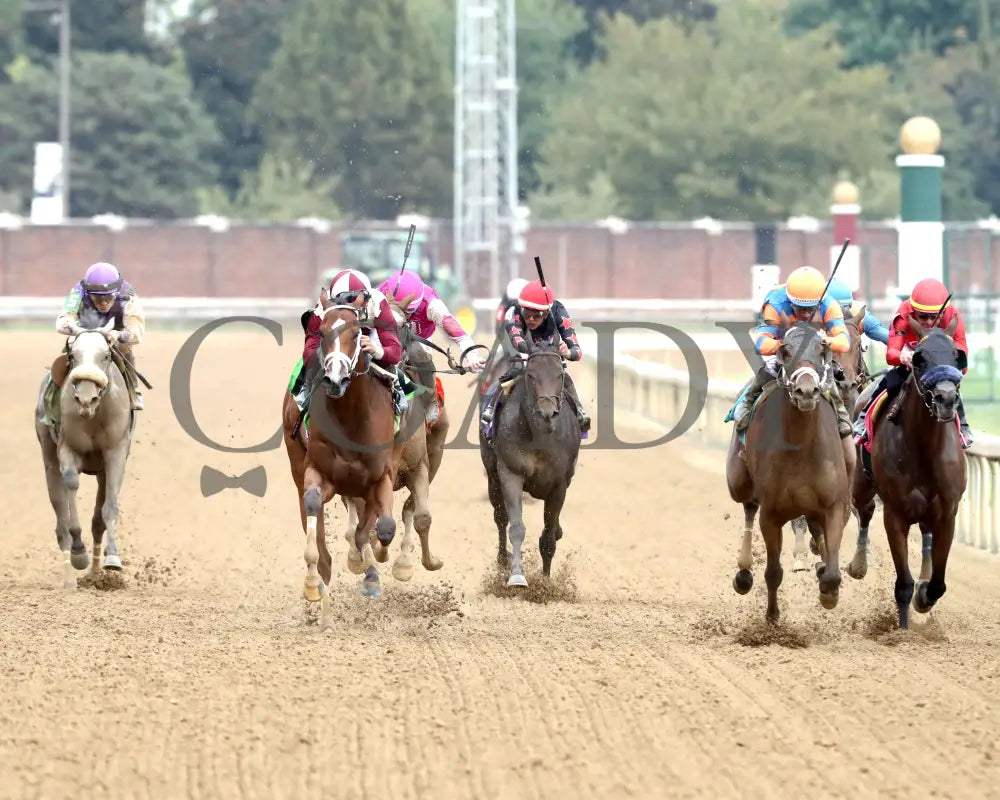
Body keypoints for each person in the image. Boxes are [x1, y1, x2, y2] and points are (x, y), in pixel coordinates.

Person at [731, 265, 853, 437]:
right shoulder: (775, 303)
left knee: (827, 368)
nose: (805, 314)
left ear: (820, 302)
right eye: (799, 308)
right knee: (770, 367)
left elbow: (844, 342)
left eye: (811, 309)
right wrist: (785, 346)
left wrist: (827, 340)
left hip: (813, 350)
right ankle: (748, 400)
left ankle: (840, 412)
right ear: (789, 301)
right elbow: (761, 344)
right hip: (784, 347)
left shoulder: (830, 305)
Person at [852, 277, 972, 448]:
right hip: (910, 357)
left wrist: (950, 359)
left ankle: (964, 428)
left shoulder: (953, 316)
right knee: (891, 380)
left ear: (944, 312)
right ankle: (864, 421)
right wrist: (902, 356)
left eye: (934, 317)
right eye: (922, 316)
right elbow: (891, 353)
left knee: (951, 387)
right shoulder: (903, 315)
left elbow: (962, 355)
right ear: (913, 311)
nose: (929, 322)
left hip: (938, 362)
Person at [480, 279, 591, 434]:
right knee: (517, 367)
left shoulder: (559, 312)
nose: (531, 319)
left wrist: (566, 352)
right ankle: (490, 407)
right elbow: (517, 340)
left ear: (546, 312)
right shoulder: (513, 311)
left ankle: (579, 410)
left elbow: (577, 352)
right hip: (516, 341)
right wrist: (534, 351)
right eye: (527, 314)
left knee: (559, 371)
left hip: (546, 344)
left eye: (537, 315)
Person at [295, 268, 408, 417]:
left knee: (387, 357)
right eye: (346, 302)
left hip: (369, 335)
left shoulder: (378, 302)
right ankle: (306, 385)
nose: (352, 307)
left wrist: (377, 351)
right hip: (338, 337)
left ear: (367, 296)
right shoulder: (323, 308)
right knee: (313, 358)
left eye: (358, 301)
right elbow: (309, 350)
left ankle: (396, 386)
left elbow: (395, 353)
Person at [379, 270, 486, 424]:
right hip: (387, 337)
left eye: (409, 311)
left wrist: (472, 355)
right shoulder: (379, 293)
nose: (406, 315)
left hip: (419, 339)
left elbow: (457, 332)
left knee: (417, 352)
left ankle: (430, 399)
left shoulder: (432, 304)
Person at [52, 261, 145, 412]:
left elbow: (137, 332)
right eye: (97, 298)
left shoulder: (129, 295)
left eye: (109, 297)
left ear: (117, 291)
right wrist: (78, 330)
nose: (103, 302)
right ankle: (52, 395)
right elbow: (61, 322)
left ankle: (133, 389)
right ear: (88, 293)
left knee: (125, 348)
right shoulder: (77, 292)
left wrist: (118, 334)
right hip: (84, 330)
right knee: (70, 347)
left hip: (114, 331)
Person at [827, 279, 889, 344]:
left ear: (850, 305)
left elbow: (891, 339)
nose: (839, 315)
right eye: (834, 309)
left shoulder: (863, 318)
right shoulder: (817, 316)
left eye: (844, 308)